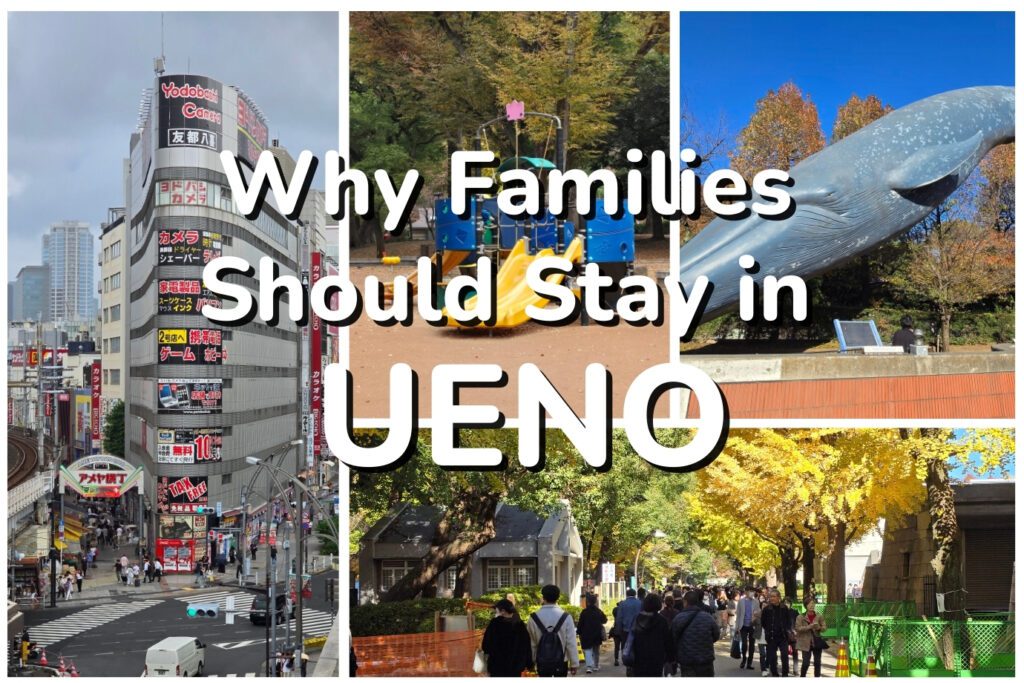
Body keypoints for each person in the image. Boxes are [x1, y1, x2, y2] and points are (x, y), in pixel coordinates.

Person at [526, 585, 578, 677]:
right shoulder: (566, 617)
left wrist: (531, 662)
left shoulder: (533, 618)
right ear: (558, 597)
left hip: (542, 661)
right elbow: (571, 642)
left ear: (543, 597)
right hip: (561, 661)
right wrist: (574, 663)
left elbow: (531, 643)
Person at [671, 589, 720, 677]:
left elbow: (673, 638)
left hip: (686, 659)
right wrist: (706, 640)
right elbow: (716, 635)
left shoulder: (678, 618)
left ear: (685, 602)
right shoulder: (708, 617)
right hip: (705, 658)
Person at [481, 598, 533, 677]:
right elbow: (526, 646)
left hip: (497, 667)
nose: (496, 613)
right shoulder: (520, 624)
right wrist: (529, 664)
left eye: (497, 611)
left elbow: (486, 646)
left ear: (503, 611)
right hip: (515, 668)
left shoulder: (495, 624)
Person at [628, 593, 674, 677]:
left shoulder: (637, 618)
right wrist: (670, 658)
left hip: (639, 657)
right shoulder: (662, 620)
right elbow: (667, 641)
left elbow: (631, 637)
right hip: (657, 658)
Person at [761, 590, 793, 677]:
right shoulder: (766, 609)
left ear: (779, 597)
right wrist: (768, 630)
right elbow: (763, 623)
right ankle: (775, 674)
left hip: (783, 636)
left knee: (784, 656)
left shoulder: (784, 608)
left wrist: (787, 630)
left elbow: (788, 621)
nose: (772, 598)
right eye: (771, 596)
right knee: (772, 658)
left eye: (774, 596)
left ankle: (785, 674)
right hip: (771, 637)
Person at [794, 599, 827, 677]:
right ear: (806, 605)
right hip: (805, 643)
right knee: (806, 663)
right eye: (809, 604)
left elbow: (824, 628)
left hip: (817, 642)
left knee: (817, 662)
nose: (812, 605)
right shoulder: (800, 617)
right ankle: (802, 676)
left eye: (813, 604)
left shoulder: (819, 616)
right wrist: (809, 626)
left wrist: (819, 628)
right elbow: (798, 628)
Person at [576, 593, 607, 674]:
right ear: (595, 602)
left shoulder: (584, 612)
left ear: (588, 602)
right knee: (596, 650)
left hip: (586, 634)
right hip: (597, 634)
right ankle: (596, 666)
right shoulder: (598, 611)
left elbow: (580, 623)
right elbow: (605, 620)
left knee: (588, 650)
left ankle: (589, 667)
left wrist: (578, 631)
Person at [613, 588, 642, 667]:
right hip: (638, 629)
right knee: (636, 646)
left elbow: (619, 618)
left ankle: (627, 662)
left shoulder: (622, 604)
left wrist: (619, 630)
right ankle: (636, 661)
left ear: (627, 594)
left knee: (625, 645)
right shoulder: (640, 603)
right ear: (635, 594)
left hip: (625, 629)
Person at [736, 587, 761, 671]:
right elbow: (738, 614)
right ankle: (744, 660)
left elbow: (758, 613)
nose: (752, 593)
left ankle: (749, 663)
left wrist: (756, 615)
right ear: (746, 592)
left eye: (753, 591)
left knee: (752, 645)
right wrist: (737, 627)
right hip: (743, 626)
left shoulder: (756, 601)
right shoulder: (741, 601)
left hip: (752, 626)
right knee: (744, 644)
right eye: (750, 591)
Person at [784, 597, 800, 674]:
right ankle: (786, 668)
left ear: (791, 604)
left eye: (788, 602)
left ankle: (795, 669)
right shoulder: (781, 612)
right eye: (785, 602)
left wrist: (796, 631)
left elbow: (799, 622)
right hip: (784, 635)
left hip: (793, 635)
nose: (787, 604)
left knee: (795, 652)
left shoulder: (795, 612)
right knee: (784, 653)